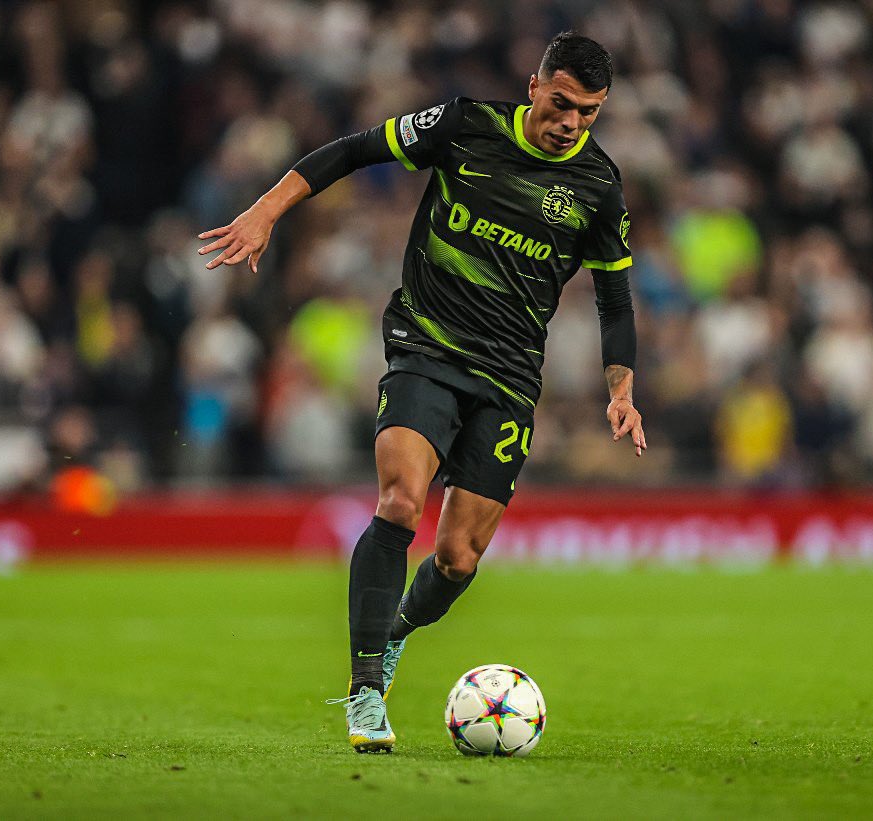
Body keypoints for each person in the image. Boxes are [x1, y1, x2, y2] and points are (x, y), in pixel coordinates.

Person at [198, 31, 645, 753]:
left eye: (588, 113)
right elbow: (352, 150)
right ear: (534, 85)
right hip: (427, 349)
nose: (570, 123)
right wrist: (266, 211)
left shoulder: (598, 185)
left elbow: (615, 301)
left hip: (509, 378)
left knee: (459, 558)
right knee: (400, 500)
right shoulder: (464, 124)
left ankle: (397, 629)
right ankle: (365, 690)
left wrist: (621, 389)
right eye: (561, 103)